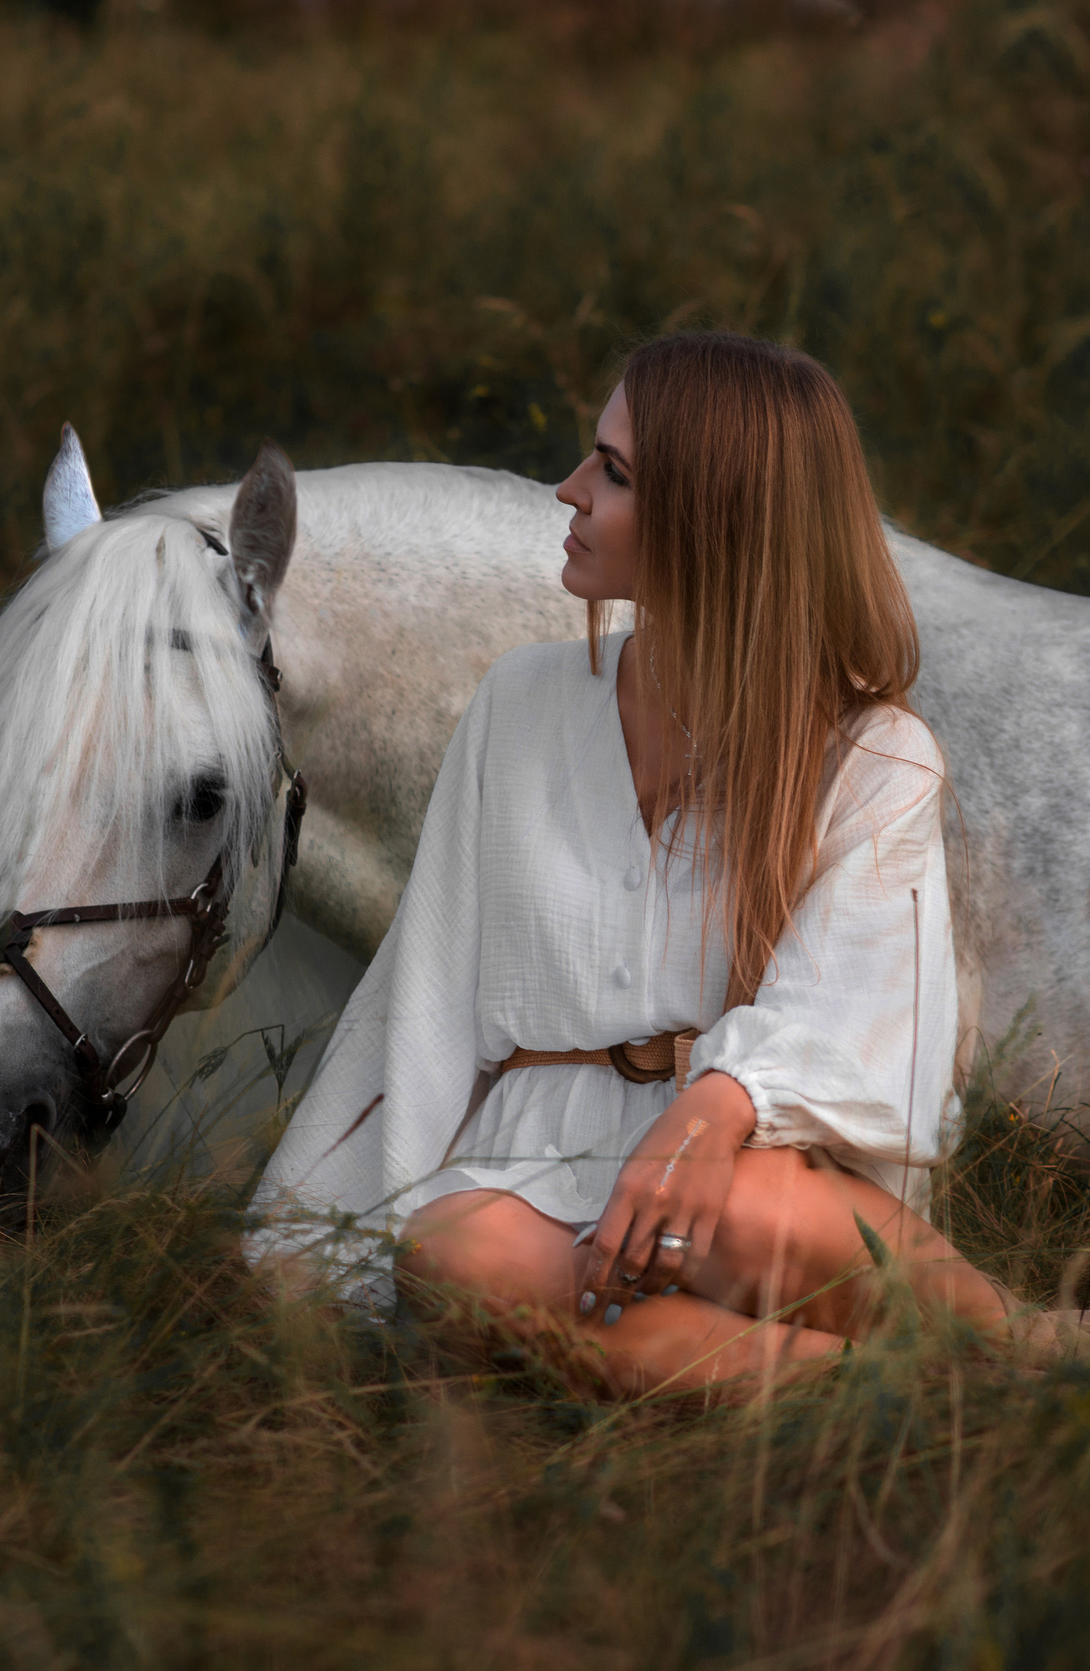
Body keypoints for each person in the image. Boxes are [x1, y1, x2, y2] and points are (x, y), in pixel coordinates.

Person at [251, 332, 1020, 1398]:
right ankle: (932, 1396)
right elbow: (428, 984)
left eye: (612, 473)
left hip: (764, 1179)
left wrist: (713, 1112)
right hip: (532, 1182)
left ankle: (1025, 1346)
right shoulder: (520, 703)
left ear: (713, 522)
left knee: (736, 1207)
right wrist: (315, 1227)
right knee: (451, 1249)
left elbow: (856, 1011)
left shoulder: (874, 757)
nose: (568, 490)